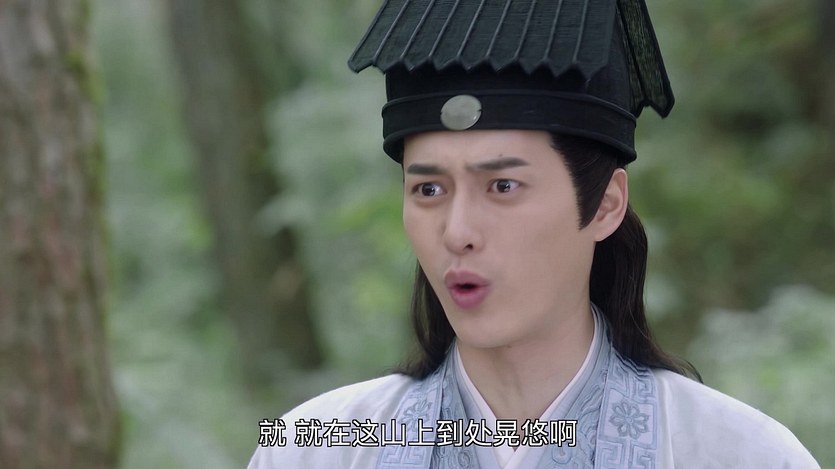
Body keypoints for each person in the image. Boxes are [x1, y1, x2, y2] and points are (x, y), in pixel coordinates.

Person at [248, 0, 820, 467]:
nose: (457, 232)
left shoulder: (739, 454)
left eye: (502, 186)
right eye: (429, 189)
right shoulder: (313, 451)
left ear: (605, 204)